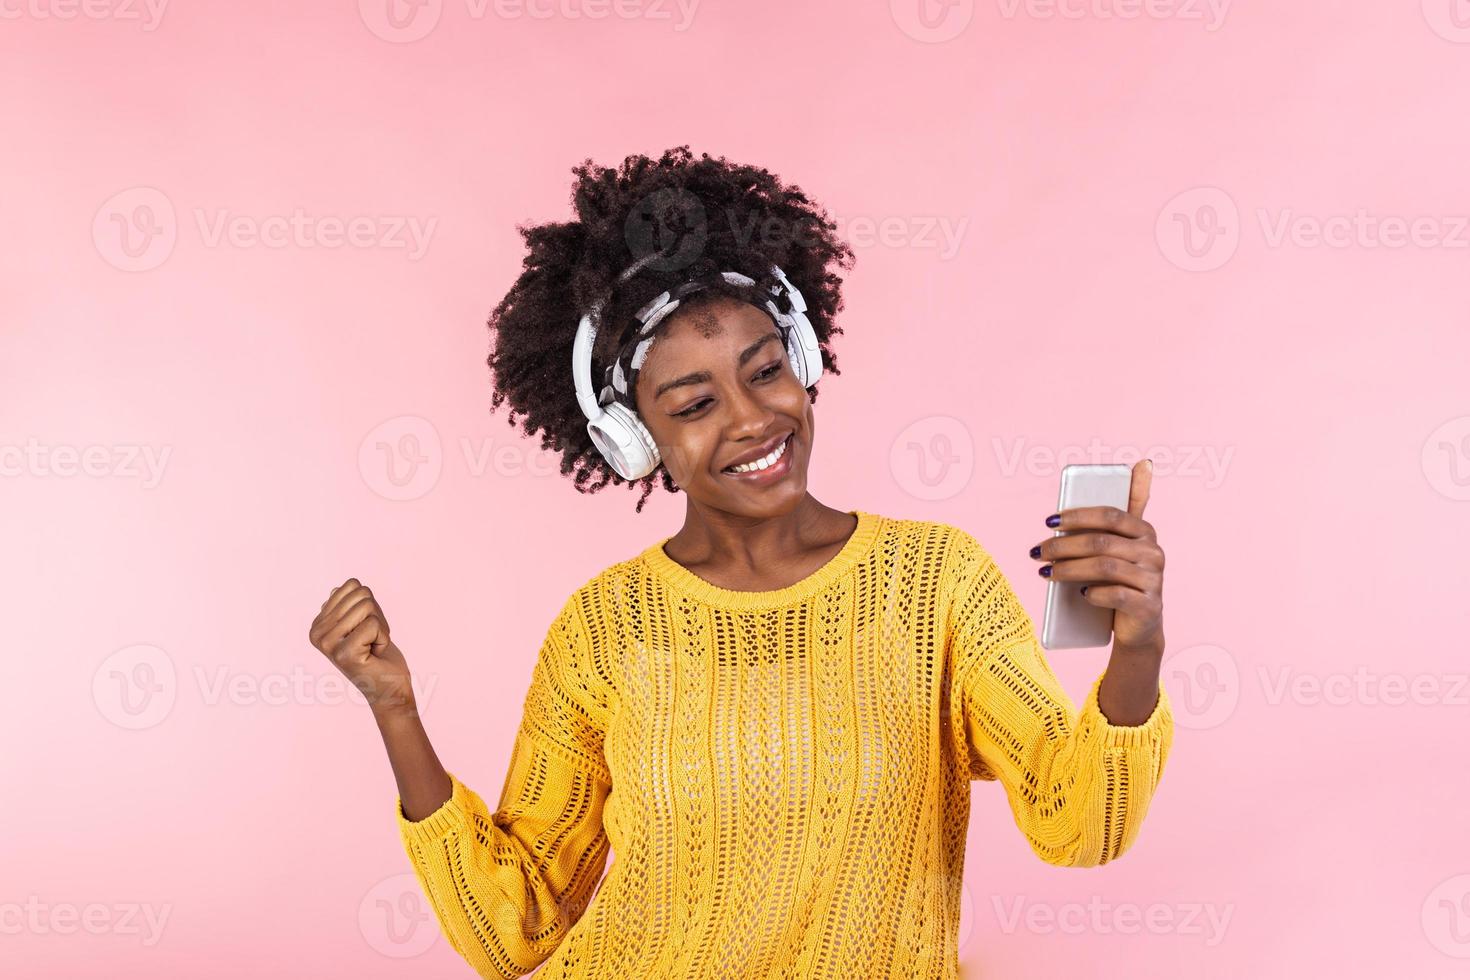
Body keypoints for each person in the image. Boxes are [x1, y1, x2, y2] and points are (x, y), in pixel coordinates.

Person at [307, 146, 1174, 979]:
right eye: (694, 403)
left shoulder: (936, 583)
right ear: (635, 443)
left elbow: (1078, 825)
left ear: (801, 362)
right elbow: (518, 930)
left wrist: (1136, 650)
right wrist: (396, 711)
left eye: (765, 372)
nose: (753, 418)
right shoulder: (602, 630)